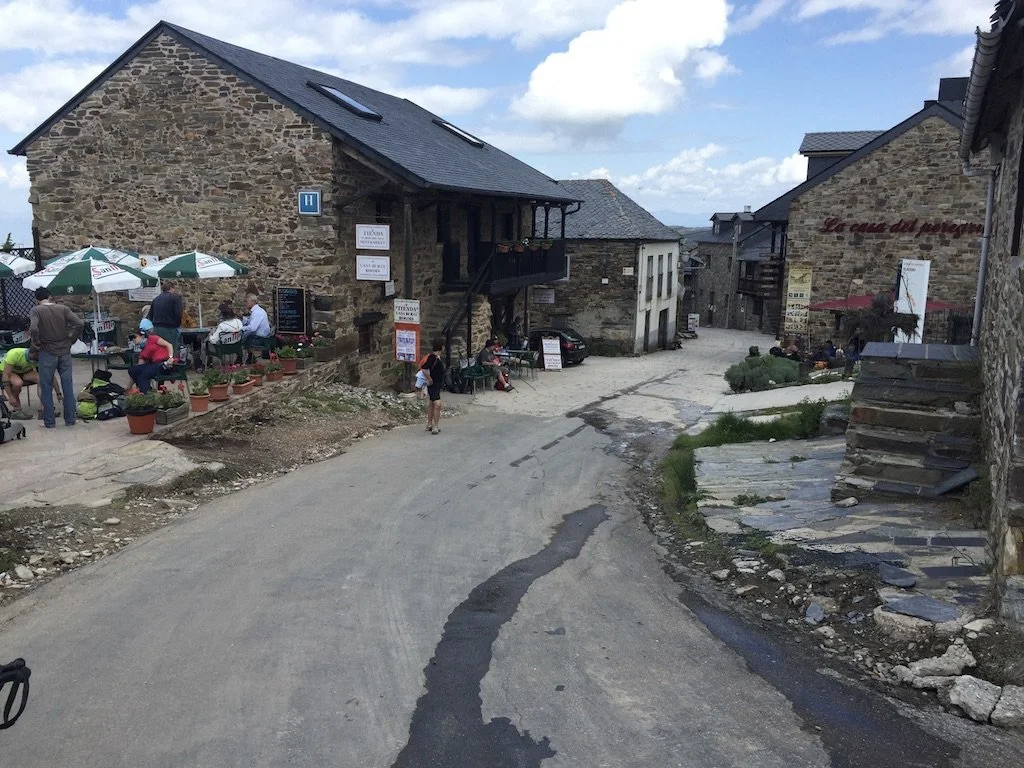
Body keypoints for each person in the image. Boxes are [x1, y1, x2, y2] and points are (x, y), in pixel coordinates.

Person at [28, 287, 83, 428]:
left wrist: (36, 343)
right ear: (50, 296)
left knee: (46, 387)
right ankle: (70, 419)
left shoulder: (36, 311)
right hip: (64, 350)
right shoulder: (63, 309)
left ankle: (49, 421)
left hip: (47, 351)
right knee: (67, 385)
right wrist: (72, 339)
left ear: (36, 299)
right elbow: (79, 323)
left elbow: (33, 328)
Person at [1, 346, 61, 420]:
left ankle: (45, 409)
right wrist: (10, 397)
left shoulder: (38, 358)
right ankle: (16, 410)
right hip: (9, 372)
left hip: (25, 372)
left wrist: (58, 393)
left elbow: (50, 376)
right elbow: (5, 376)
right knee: (18, 383)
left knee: (42, 379)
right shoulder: (14, 354)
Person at [150, 281, 183, 355]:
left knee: (159, 351)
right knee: (171, 350)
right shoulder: (175, 298)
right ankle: (170, 362)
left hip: (156, 328)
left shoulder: (156, 299)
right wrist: (177, 324)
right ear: (171, 288)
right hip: (170, 328)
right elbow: (178, 313)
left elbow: (151, 315)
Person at [420, 338, 445, 434]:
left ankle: (429, 424)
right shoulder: (433, 358)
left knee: (431, 403)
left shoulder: (435, 357)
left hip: (436, 385)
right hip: (433, 384)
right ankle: (435, 426)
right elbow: (424, 368)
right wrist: (429, 379)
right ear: (441, 348)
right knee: (437, 404)